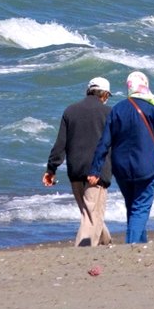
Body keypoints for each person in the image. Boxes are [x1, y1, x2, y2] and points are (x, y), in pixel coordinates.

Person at [87, 71, 154, 244]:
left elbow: (104, 143)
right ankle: (131, 246)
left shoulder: (117, 109)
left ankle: (141, 244)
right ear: (145, 85)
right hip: (146, 167)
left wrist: (95, 170)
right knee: (140, 208)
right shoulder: (153, 109)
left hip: (122, 169)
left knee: (132, 207)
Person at [43, 76, 114, 246]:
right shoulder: (109, 113)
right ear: (104, 94)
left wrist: (51, 169)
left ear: (88, 91)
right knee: (91, 215)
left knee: (89, 213)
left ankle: (107, 244)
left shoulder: (70, 111)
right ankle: (82, 252)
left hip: (75, 171)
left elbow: (60, 144)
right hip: (97, 172)